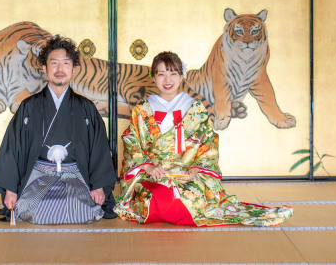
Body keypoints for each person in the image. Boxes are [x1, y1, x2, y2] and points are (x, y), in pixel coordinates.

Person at [114, 50, 293, 227]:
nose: (167, 80)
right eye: (161, 74)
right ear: (153, 77)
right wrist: (148, 167)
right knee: (148, 201)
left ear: (181, 76)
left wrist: (196, 168)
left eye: (173, 74)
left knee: (192, 200)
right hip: (154, 174)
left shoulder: (194, 107)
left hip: (186, 174)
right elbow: (132, 140)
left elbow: (208, 141)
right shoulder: (143, 108)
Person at [0, 35, 118, 223]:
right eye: (54, 63)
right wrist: (11, 190)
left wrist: (98, 186)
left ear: (73, 69)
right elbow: (12, 149)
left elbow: (99, 149)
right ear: (44, 68)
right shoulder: (29, 107)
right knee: (35, 208)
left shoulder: (86, 108)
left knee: (82, 208)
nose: (60, 69)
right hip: (39, 176)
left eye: (66, 63)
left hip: (75, 176)